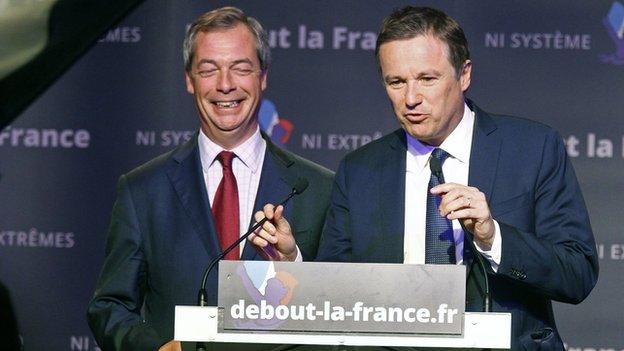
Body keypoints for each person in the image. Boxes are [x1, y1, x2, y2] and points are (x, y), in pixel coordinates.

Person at [252, 6, 598, 350]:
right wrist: (293, 264)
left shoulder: (532, 149)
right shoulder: (360, 171)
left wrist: (493, 238)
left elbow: (577, 274)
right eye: (396, 82)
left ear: (464, 75)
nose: (411, 99)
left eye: (427, 79)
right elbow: (338, 295)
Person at [86, 7, 333, 351]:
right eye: (209, 70)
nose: (225, 84)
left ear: (263, 77)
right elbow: (110, 306)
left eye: (241, 68)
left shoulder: (318, 188)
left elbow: (340, 312)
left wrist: (294, 263)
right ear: (189, 80)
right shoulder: (144, 191)